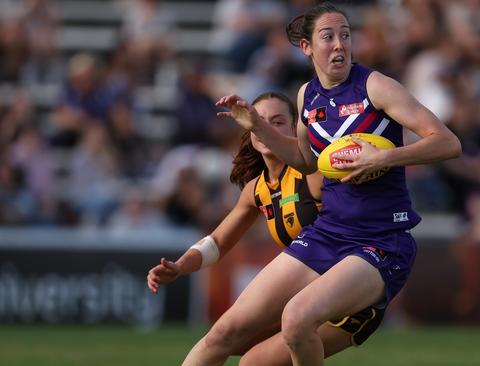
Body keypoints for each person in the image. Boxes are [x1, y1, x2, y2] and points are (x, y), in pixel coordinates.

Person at [212, 3, 462, 365]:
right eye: (328, 37)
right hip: (330, 233)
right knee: (231, 339)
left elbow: (448, 143)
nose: (340, 45)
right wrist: (257, 124)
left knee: (296, 318)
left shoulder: (375, 86)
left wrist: (384, 157)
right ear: (307, 47)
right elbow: (305, 160)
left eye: (345, 35)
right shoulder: (306, 96)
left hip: (382, 241)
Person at [146, 92, 384, 365]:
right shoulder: (256, 189)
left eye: (278, 121)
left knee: (246, 356)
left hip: (349, 299)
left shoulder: (315, 171)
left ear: (296, 129)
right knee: (226, 338)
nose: (267, 128)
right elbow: (217, 242)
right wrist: (180, 266)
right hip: (301, 297)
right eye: (259, 120)